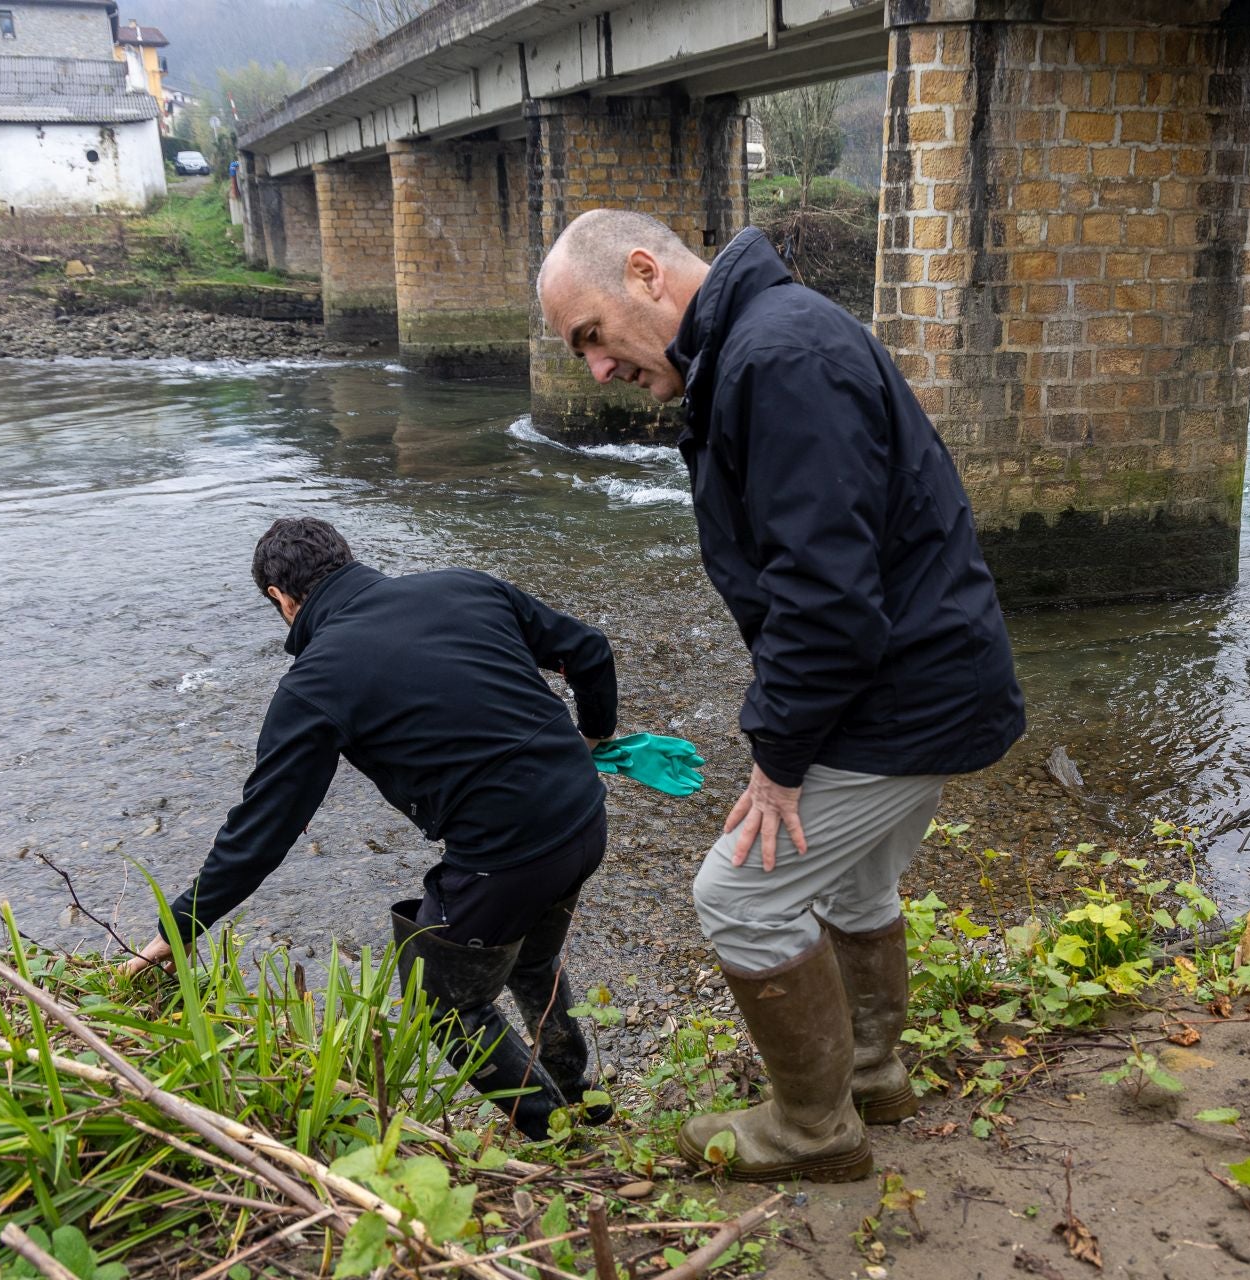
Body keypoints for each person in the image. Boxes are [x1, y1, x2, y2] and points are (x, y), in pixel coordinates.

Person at [536, 211, 1026, 1182]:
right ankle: (874, 1074)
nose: (595, 369)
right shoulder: (760, 346)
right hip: (924, 680)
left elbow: (828, 597)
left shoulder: (777, 356)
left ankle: (812, 1126)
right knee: (850, 882)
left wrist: (777, 761)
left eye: (590, 335)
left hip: (900, 694)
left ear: (644, 273)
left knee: (740, 894)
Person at [122, 517, 618, 1140]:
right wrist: (591, 738)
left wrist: (182, 923)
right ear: (345, 559)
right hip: (583, 813)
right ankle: (585, 1099)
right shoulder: (463, 587)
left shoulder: (315, 681)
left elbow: (264, 830)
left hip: (506, 857)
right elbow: (590, 650)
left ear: (281, 597)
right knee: (532, 960)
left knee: (440, 1003)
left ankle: (561, 1131)